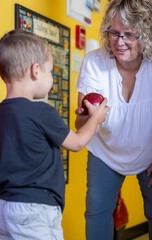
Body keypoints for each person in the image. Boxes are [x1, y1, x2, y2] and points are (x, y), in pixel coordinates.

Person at [0, 29, 109, 240]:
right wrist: (95, 119)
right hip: (36, 210)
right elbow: (77, 142)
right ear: (36, 71)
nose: (51, 78)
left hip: (6, 208)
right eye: (50, 71)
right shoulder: (41, 111)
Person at [75, 0, 152, 239]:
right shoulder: (95, 62)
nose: (119, 42)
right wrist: (88, 118)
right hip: (104, 152)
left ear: (146, 34)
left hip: (149, 151)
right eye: (114, 33)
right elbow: (79, 126)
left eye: (129, 34)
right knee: (97, 213)